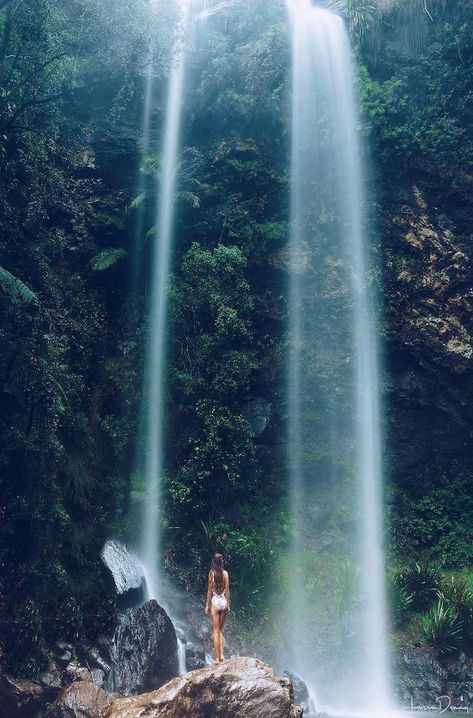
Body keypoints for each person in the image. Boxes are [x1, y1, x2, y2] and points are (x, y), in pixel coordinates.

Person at [204, 553, 230, 663]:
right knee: (220, 630)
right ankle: (222, 655)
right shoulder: (225, 574)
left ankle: (217, 658)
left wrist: (207, 605)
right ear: (222, 562)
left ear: (214, 562)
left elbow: (210, 590)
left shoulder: (212, 573)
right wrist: (228, 604)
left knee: (215, 632)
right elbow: (227, 590)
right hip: (223, 601)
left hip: (215, 602)